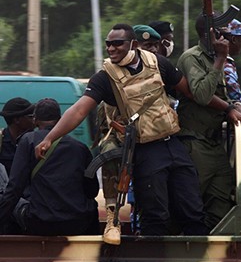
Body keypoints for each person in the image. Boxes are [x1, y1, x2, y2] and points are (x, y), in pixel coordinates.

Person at [35, 23, 209, 245]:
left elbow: (191, 93)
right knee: (155, 215)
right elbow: (78, 111)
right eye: (108, 44)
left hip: (173, 144)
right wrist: (50, 138)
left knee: (193, 209)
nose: (111, 48)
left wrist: (228, 107)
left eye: (117, 43)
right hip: (146, 151)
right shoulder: (105, 77)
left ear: (133, 44)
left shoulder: (157, 62)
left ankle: (202, 261)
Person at [176, 12, 241, 231]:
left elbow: (230, 98)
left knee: (220, 206)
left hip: (215, 145)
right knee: (189, 206)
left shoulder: (220, 60)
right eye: (224, 33)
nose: (228, 37)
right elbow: (202, 95)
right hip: (195, 144)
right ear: (211, 34)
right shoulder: (192, 57)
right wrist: (219, 60)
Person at [0, 98, 99, 236]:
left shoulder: (28, 140)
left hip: (39, 223)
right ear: (60, 120)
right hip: (76, 224)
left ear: (35, 120)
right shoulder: (80, 147)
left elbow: (15, 188)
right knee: (92, 204)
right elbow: (92, 190)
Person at [0, 97, 35, 175]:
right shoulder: (1, 143)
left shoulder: (35, 141)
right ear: (17, 120)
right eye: (30, 116)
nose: (34, 120)